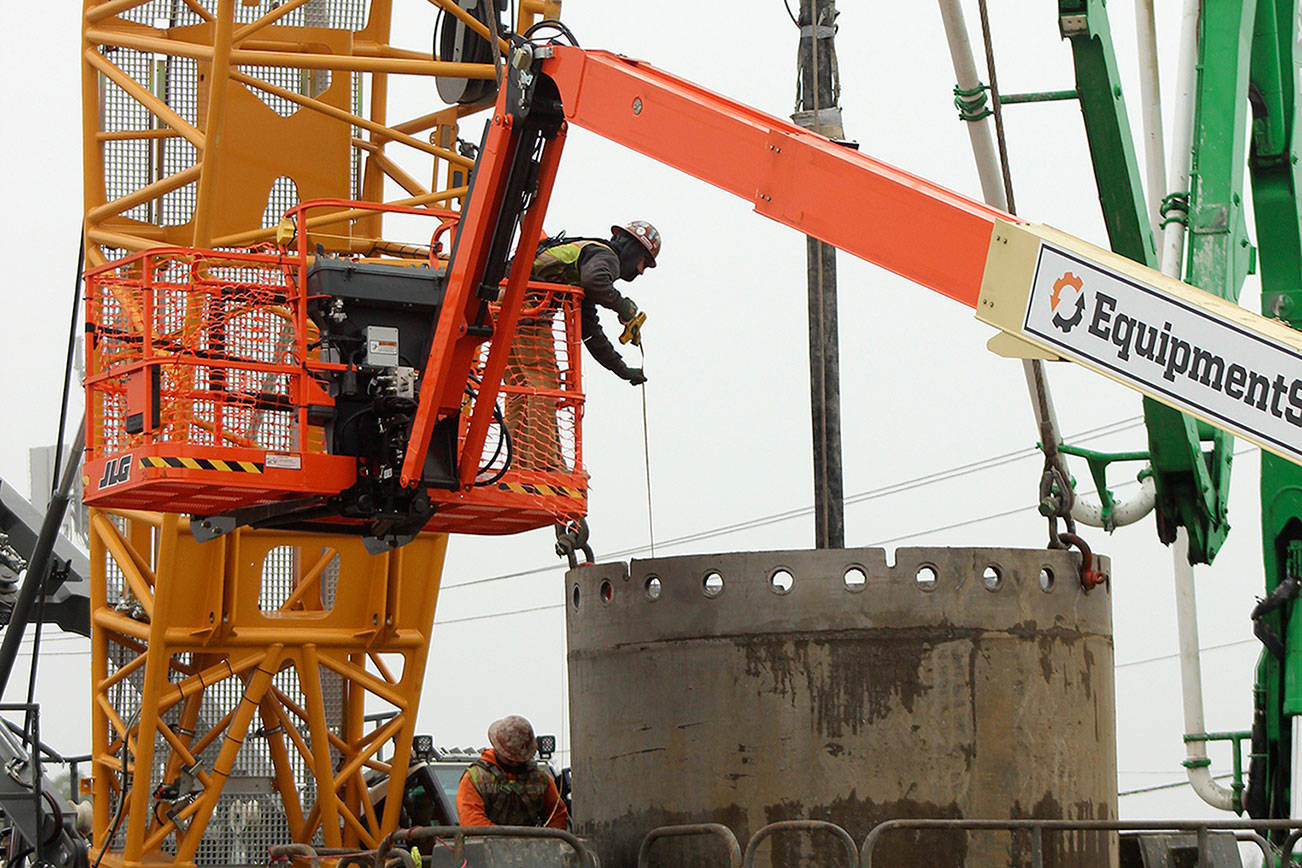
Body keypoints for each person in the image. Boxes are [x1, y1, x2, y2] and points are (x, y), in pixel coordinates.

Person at [502, 221, 661, 471]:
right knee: (545, 385)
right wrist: (623, 306)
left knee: (522, 387)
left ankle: (519, 463)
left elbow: (589, 331)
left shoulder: (585, 260)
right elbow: (596, 281)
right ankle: (542, 466)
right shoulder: (604, 257)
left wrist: (621, 369)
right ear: (634, 251)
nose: (641, 271)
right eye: (645, 263)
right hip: (527, 309)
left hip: (507, 307)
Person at [456, 715, 569, 828]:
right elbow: (472, 823)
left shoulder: (541, 780)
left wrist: (545, 841)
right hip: (486, 843)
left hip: (535, 844)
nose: (516, 762)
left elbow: (558, 816)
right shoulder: (475, 778)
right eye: (511, 759)